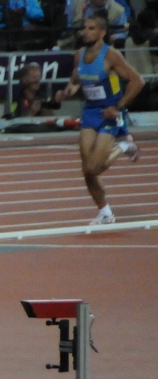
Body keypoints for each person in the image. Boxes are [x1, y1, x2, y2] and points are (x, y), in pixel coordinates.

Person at [54, 16, 143, 224]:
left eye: (91, 28)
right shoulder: (80, 54)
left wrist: (118, 107)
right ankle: (105, 213)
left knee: (94, 167)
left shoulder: (111, 55)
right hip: (90, 112)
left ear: (102, 32)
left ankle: (124, 146)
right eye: (84, 28)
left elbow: (137, 81)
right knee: (87, 169)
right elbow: (76, 80)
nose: (85, 31)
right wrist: (66, 92)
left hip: (109, 114)